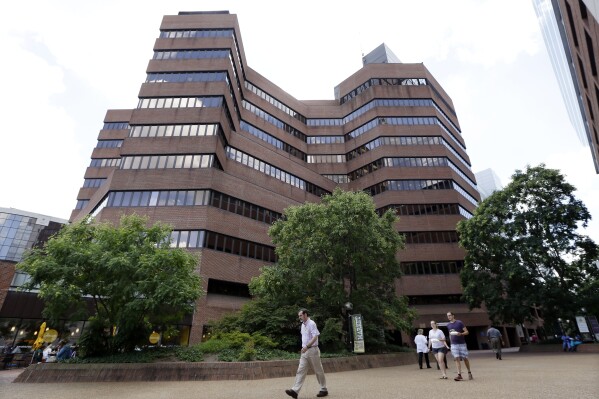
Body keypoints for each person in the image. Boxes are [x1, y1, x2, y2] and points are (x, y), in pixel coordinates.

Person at [285, 309, 328, 398]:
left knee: (318, 370)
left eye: (300, 315)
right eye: (299, 315)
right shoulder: (302, 325)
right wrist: (303, 347)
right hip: (305, 351)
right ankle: (295, 391)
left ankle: (323, 389)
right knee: (300, 370)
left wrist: (307, 346)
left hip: (313, 350)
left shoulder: (312, 323)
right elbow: (304, 337)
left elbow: (315, 336)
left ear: (305, 315)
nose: (299, 317)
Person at [447, 311, 473, 381]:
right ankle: (459, 375)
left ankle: (469, 372)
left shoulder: (459, 322)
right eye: (447, 316)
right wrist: (450, 343)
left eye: (449, 315)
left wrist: (461, 334)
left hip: (462, 343)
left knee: (465, 358)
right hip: (454, 344)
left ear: (453, 315)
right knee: (456, 358)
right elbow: (450, 334)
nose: (448, 317)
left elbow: (467, 332)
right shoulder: (448, 325)